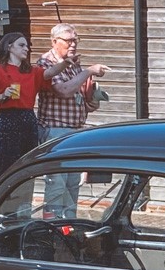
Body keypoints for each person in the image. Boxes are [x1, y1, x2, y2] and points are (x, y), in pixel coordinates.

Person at [36, 23, 110, 216]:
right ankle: (51, 228)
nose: (73, 44)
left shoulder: (73, 63)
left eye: (75, 40)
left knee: (72, 184)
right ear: (55, 42)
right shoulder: (46, 62)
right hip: (56, 130)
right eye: (68, 40)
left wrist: (90, 102)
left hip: (75, 131)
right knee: (57, 184)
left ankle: (69, 226)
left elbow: (77, 96)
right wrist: (89, 71)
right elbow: (63, 90)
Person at [0, 32, 73, 178]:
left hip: (28, 119)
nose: (26, 49)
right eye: (21, 45)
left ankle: (25, 200)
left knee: (27, 167)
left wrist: (66, 63)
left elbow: (50, 72)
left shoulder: (32, 71)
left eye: (27, 46)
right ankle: (7, 198)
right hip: (7, 119)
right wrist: (2, 96)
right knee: (7, 166)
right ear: (9, 47)